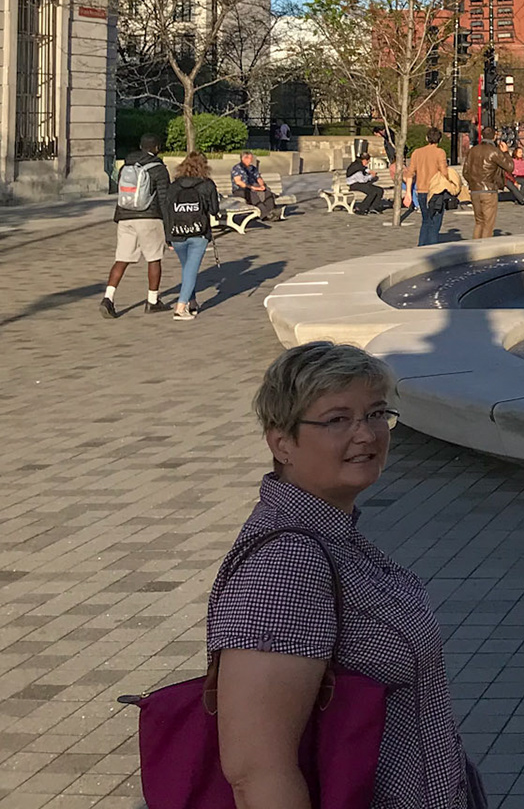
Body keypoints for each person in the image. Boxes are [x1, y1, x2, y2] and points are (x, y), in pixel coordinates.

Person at [208, 342, 484, 808]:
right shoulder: (284, 567)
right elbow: (256, 770)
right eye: (337, 419)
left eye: (376, 414)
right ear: (282, 443)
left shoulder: (333, 536)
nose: (366, 435)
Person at [103, 133, 170, 318]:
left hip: (125, 216)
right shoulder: (159, 169)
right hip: (149, 217)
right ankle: (152, 301)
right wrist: (169, 228)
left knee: (122, 259)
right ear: (156, 147)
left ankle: (108, 298)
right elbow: (164, 200)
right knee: (154, 259)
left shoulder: (127, 165)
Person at [162, 150, 220, 320]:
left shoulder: (174, 186)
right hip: (198, 232)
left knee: (188, 268)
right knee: (191, 270)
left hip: (177, 233)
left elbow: (167, 212)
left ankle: (192, 302)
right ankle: (180, 308)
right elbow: (214, 210)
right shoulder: (207, 185)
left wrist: (168, 236)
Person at [405, 129, 456, 246]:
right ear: (440, 139)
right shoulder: (440, 152)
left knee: (426, 221)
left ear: (426, 138)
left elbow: (410, 173)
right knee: (435, 223)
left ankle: (421, 246)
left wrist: (408, 193)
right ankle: (432, 248)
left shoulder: (417, 152)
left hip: (421, 191)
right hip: (436, 191)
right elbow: (444, 172)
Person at [464, 133, 511, 239]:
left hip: (475, 190)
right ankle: (485, 250)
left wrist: (473, 183)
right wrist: (506, 152)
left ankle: (475, 248)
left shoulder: (473, 151)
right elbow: (509, 167)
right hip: (489, 190)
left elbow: (465, 172)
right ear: (494, 137)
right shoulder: (494, 151)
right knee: (488, 224)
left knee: (479, 222)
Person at [231, 151, 280, 223]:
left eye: (251, 158)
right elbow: (239, 182)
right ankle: (265, 214)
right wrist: (253, 188)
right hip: (241, 190)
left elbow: (258, 178)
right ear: (244, 158)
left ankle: (272, 212)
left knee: (267, 193)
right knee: (253, 195)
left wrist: (261, 185)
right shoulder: (237, 168)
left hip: (254, 187)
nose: (251, 160)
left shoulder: (253, 168)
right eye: (250, 158)